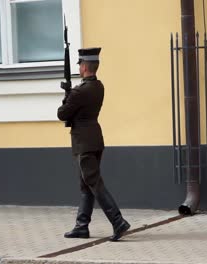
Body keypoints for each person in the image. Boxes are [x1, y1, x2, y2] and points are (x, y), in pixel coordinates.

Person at [57, 47, 130, 242]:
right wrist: (70, 92)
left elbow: (62, 114)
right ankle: (82, 226)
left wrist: (67, 95)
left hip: (84, 143)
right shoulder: (99, 87)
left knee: (94, 184)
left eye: (80, 64)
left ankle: (118, 221)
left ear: (85, 67)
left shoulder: (80, 92)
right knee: (86, 185)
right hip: (95, 139)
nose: (79, 67)